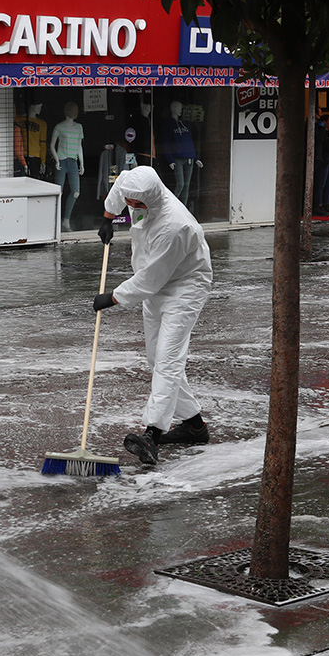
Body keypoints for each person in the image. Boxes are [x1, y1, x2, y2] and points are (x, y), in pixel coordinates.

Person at [92, 165, 213, 466]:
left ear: (151, 197)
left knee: (168, 358)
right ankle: (195, 426)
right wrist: (108, 217)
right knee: (155, 359)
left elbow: (149, 281)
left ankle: (153, 434)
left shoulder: (176, 226)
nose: (130, 207)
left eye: (135, 204)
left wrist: (113, 297)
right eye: (129, 202)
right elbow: (120, 189)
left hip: (185, 286)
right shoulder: (136, 186)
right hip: (155, 283)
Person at [50, 102, 85, 228]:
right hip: (62, 161)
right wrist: (57, 160)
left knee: (76, 192)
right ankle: (55, 220)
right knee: (58, 191)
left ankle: (66, 220)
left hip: (73, 161)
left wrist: (82, 163)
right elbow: (52, 145)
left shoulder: (79, 127)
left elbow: (79, 146)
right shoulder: (59, 127)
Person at [161, 100, 202, 205]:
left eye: (181, 107)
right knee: (181, 184)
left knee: (187, 185)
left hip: (189, 159)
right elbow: (166, 143)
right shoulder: (168, 125)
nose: (180, 110)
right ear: (172, 109)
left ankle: (183, 209)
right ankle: (171, 207)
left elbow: (190, 142)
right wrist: (170, 160)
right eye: (178, 107)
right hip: (177, 159)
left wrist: (196, 158)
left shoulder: (185, 124)